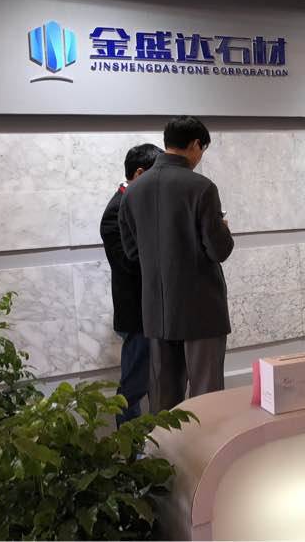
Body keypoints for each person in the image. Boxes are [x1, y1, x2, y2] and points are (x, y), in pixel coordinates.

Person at [118, 116, 234, 412]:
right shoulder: (201, 188)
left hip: (157, 311)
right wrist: (223, 228)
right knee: (206, 397)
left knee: (163, 399)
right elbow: (218, 249)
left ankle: (166, 444)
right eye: (202, 150)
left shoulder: (133, 192)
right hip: (202, 310)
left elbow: (131, 252)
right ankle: (205, 444)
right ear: (195, 145)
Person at [100, 142, 162, 427]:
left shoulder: (140, 205)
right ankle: (129, 446)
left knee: (153, 381)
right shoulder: (116, 210)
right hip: (137, 313)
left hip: (152, 311)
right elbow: (129, 263)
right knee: (134, 386)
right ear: (139, 173)